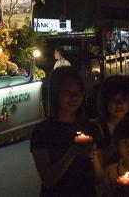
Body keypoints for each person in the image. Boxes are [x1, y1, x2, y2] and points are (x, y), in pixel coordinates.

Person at [30, 66, 104, 196]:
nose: (74, 97)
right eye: (68, 92)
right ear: (56, 93)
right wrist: (71, 153)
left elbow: (98, 178)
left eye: (78, 92)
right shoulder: (42, 132)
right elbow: (48, 180)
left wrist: (94, 158)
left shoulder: (92, 128)